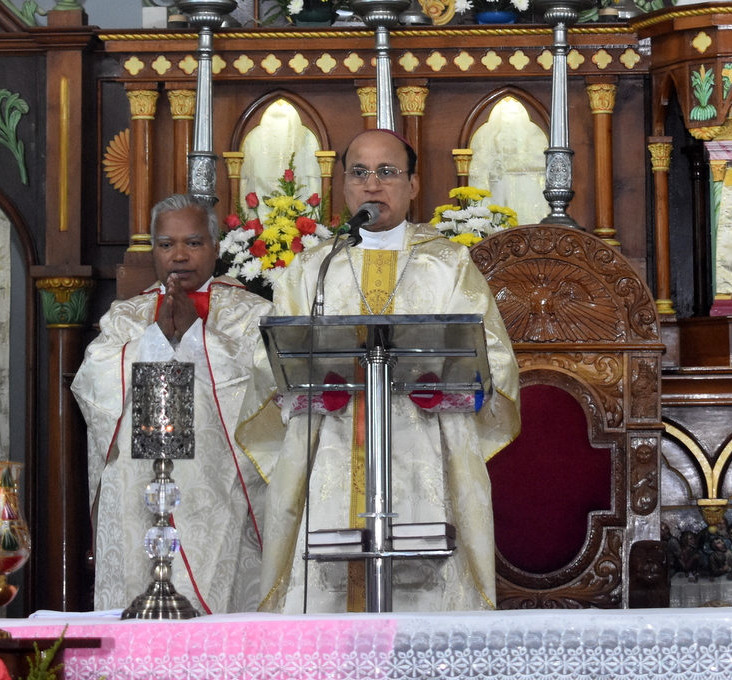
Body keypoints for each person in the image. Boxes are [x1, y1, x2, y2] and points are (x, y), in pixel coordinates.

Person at [244, 129, 520, 613]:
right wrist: (308, 390)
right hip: (329, 446)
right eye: (359, 173)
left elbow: (493, 358)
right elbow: (269, 366)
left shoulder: (448, 263)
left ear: (414, 185)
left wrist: (447, 387)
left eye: (387, 172)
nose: (372, 185)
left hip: (426, 444)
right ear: (344, 187)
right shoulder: (314, 268)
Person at [73, 194, 273, 614]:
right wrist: (153, 339)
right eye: (166, 245)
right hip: (139, 485)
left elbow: (266, 385)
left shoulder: (252, 314)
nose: (179, 255)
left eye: (193, 243)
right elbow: (93, 381)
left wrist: (198, 337)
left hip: (218, 491)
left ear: (216, 248)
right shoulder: (126, 315)